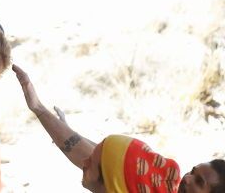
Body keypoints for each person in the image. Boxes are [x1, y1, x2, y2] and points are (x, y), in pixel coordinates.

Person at [12, 64, 225, 193]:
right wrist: (39, 108)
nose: (187, 178)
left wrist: (97, 188)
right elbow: (92, 154)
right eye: (192, 172)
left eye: (199, 182)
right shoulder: (161, 184)